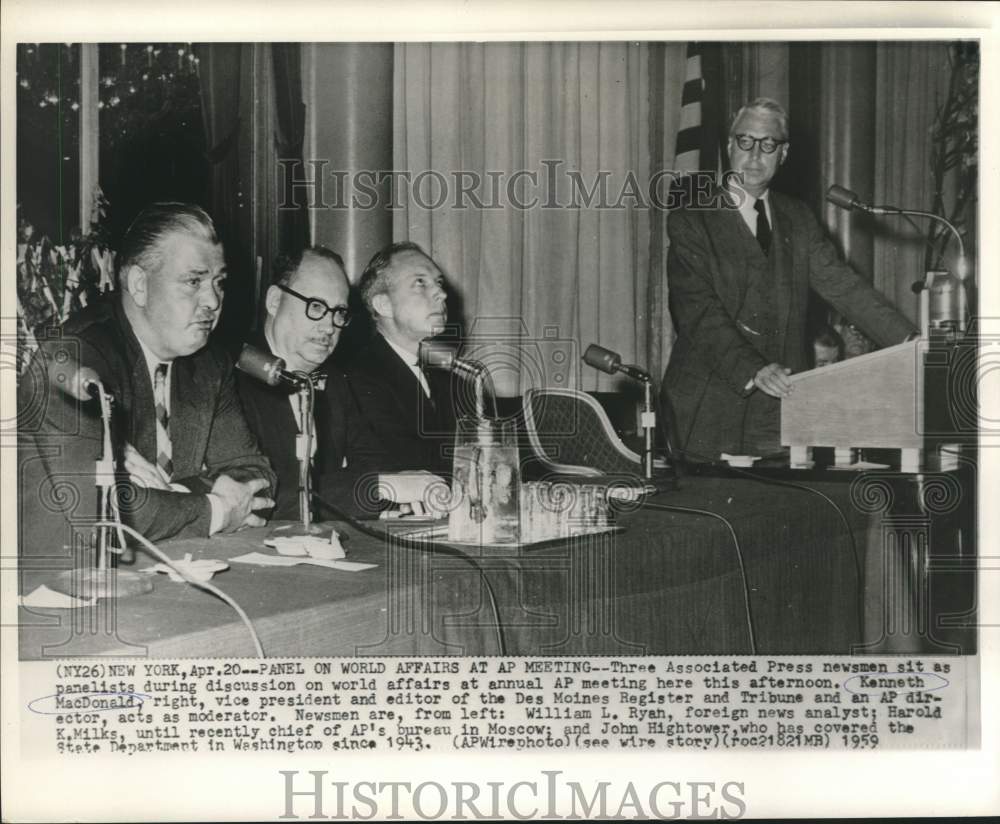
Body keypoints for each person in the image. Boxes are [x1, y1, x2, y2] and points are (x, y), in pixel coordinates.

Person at [660, 97, 916, 460]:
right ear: (730, 146)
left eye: (768, 145)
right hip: (708, 409)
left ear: (784, 154)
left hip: (782, 407)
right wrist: (754, 369)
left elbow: (843, 285)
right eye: (745, 142)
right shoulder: (692, 220)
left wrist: (910, 341)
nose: (754, 155)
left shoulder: (797, 218)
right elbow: (696, 312)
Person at [19, 203, 276, 551]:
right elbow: (102, 511)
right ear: (140, 284)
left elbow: (256, 476)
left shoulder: (209, 363)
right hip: (67, 581)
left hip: (172, 565)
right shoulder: (74, 361)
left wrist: (174, 496)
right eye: (194, 281)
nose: (213, 301)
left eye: (219, 282)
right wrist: (214, 507)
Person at [235, 247, 390, 520]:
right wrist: (376, 490)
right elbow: (267, 497)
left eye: (339, 313)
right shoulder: (233, 376)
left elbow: (373, 463)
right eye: (316, 307)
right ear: (274, 301)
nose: (330, 326)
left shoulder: (335, 382)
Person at [348, 242, 459, 475]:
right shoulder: (356, 379)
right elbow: (407, 466)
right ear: (383, 305)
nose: (442, 293)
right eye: (420, 283)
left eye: (438, 282)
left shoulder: (454, 381)